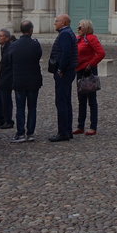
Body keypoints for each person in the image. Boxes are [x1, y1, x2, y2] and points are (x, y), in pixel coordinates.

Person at [11, 20, 43, 143]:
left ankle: (20, 133)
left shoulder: (14, 45)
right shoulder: (35, 44)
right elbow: (38, 56)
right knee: (32, 107)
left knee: (20, 108)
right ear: (31, 30)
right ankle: (30, 133)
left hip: (19, 80)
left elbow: (9, 60)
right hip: (33, 80)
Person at [48, 13, 77, 142]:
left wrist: (60, 69)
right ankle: (67, 130)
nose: (55, 23)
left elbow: (65, 54)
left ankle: (63, 132)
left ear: (64, 23)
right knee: (65, 101)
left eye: (57, 21)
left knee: (61, 102)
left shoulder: (65, 34)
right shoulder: (68, 32)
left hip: (64, 72)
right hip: (68, 71)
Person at [74, 19, 106, 136]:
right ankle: (80, 125)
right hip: (79, 71)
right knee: (81, 99)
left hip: (88, 71)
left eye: (80, 27)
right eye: (78, 27)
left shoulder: (91, 38)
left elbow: (101, 53)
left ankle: (93, 126)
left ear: (86, 28)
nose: (78, 29)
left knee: (92, 100)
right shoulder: (78, 39)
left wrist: (91, 64)